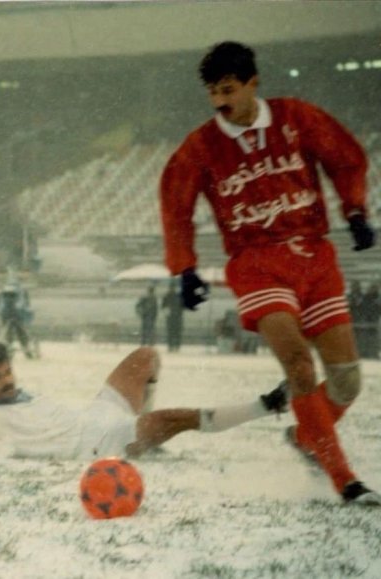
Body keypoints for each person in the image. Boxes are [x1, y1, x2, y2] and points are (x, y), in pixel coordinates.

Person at [159, 41, 379, 505]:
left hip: (315, 257)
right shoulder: (200, 146)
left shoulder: (297, 117)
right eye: (213, 92)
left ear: (253, 82)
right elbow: (175, 204)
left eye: (229, 89)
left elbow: (345, 157)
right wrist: (186, 268)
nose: (221, 101)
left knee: (347, 382)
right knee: (299, 365)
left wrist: (355, 211)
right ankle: (345, 481)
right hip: (256, 262)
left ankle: (306, 439)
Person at [0, 342, 288, 461]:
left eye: (7, 372)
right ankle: (268, 404)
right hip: (97, 444)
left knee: (144, 357)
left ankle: (143, 435)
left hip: (95, 415)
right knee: (172, 419)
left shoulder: (18, 395)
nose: (7, 381)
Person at [0, 282, 35, 358]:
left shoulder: (3, 294)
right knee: (17, 333)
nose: (9, 297)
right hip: (14, 316)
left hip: (10, 315)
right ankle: (23, 348)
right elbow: (26, 304)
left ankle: (16, 347)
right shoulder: (20, 293)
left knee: (12, 333)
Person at [161, 282, 184, 351]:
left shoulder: (168, 296)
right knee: (174, 332)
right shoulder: (176, 296)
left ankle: (173, 345)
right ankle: (174, 345)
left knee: (172, 332)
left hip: (173, 317)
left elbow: (163, 306)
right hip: (174, 317)